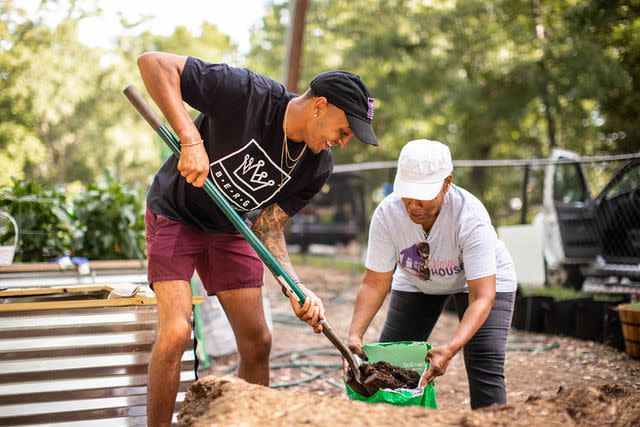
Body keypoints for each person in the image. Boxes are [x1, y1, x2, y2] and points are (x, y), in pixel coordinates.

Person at [136, 51, 378, 426]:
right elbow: (152, 63)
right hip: (175, 213)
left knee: (258, 341)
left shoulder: (317, 164)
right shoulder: (248, 94)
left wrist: (294, 285)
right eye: (344, 131)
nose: (343, 142)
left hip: (232, 228)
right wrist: (190, 138)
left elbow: (268, 225)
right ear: (320, 105)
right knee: (176, 331)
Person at [345, 139, 516, 409]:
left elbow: (482, 296)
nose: (413, 205)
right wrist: (354, 335)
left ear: (446, 183)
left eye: (422, 195)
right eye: (407, 193)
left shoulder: (470, 217)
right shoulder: (388, 215)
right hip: (418, 281)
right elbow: (375, 282)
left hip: (478, 281)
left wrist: (451, 347)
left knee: (485, 364)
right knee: (391, 369)